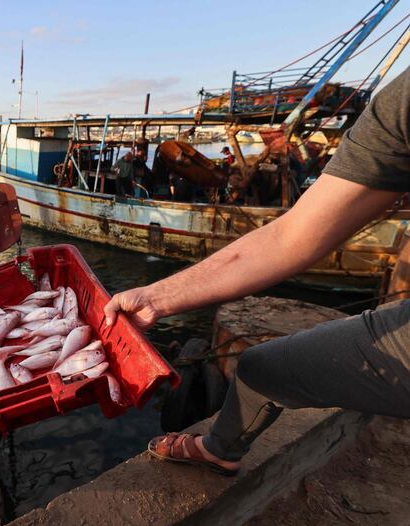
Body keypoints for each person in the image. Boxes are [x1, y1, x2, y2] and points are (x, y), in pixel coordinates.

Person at [104, 67, 410, 476]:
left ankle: (218, 448)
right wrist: (155, 297)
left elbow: (291, 236)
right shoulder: (398, 104)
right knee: (259, 368)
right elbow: (291, 236)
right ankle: (219, 447)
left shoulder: (399, 102)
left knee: (260, 370)